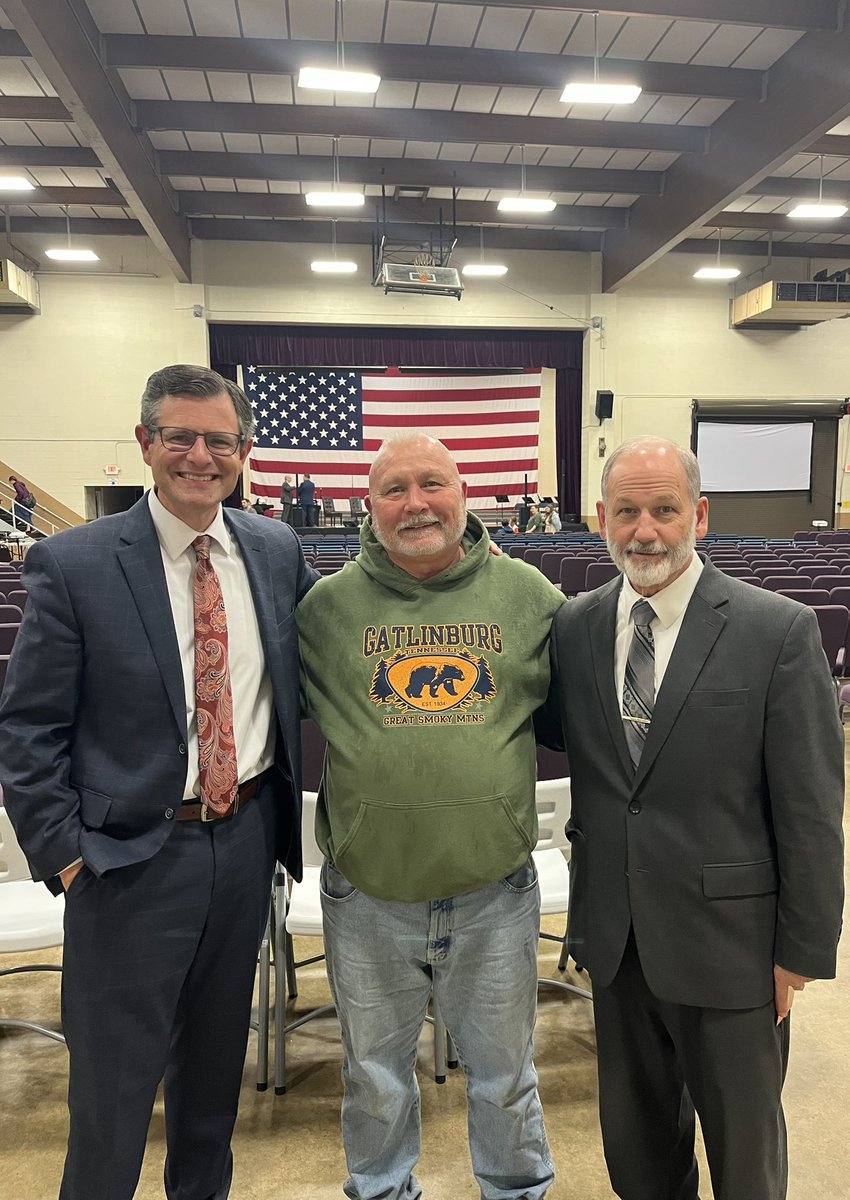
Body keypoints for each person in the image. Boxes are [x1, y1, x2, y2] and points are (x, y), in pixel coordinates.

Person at [0, 364, 317, 1200]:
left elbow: (346, 634)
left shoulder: (276, 549)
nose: (199, 457)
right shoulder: (74, 563)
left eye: (219, 440)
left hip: (245, 843)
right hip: (127, 861)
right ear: (146, 444)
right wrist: (67, 855)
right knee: (113, 1099)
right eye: (180, 436)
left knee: (213, 1086)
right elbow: (27, 728)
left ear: (243, 452)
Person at [541, 436, 845, 1200]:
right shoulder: (575, 628)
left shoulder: (774, 629)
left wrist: (800, 951)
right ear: (601, 518)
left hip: (734, 950)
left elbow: (811, 807)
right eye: (629, 512)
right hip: (617, 943)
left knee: (746, 1159)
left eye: (666, 510)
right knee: (639, 1157)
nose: (646, 531)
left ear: (699, 516)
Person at [297, 430, 563, 1200]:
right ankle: (381, 1190)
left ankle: (515, 1190)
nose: (416, 504)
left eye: (432, 484)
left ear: (464, 493)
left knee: (506, 1076)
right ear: (368, 506)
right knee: (375, 1079)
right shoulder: (324, 609)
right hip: (368, 896)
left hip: (494, 894)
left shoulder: (531, 598)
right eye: (394, 489)